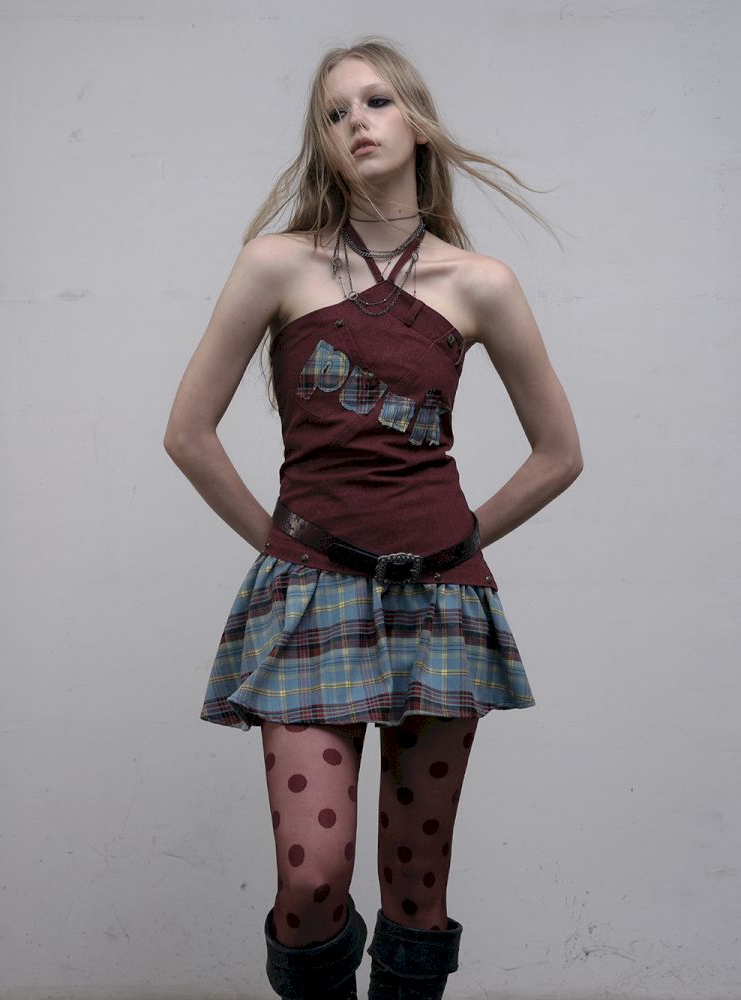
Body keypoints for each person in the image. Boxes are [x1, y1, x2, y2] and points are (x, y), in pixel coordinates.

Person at [163, 35, 582, 1000]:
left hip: (440, 601)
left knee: (417, 893)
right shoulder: (277, 265)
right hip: (310, 598)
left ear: (419, 122)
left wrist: (465, 540)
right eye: (335, 112)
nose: (357, 121)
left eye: (377, 101)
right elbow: (188, 433)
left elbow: (560, 452)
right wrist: (282, 547)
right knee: (313, 879)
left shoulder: (480, 283)